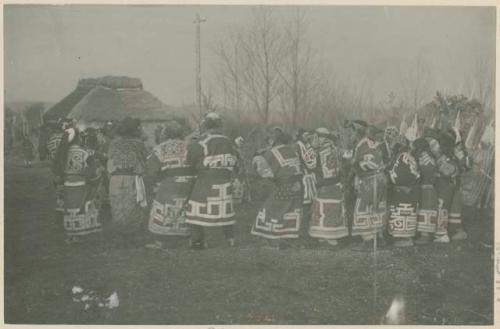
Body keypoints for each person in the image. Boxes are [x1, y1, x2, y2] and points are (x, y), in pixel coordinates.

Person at [185, 112, 238, 249]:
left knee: (194, 211)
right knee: (225, 210)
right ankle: (231, 240)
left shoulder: (202, 141)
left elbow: (190, 159)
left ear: (205, 125)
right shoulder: (229, 141)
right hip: (225, 181)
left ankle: (198, 242)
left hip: (206, 180)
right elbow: (236, 161)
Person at [145, 120, 194, 249]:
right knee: (184, 207)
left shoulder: (160, 148)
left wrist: (157, 181)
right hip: (189, 182)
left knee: (163, 206)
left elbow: (152, 170)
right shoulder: (189, 146)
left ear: (165, 133)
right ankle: (186, 237)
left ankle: (160, 241)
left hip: (169, 182)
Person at [251, 129, 303, 249]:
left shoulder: (272, 152)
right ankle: (287, 238)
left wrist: (257, 156)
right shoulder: (292, 150)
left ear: (273, 141)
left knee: (268, 211)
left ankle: (274, 241)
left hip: (284, 187)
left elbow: (261, 171)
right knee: (289, 212)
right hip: (298, 186)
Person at [52, 126, 103, 243]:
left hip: (67, 185)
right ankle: (78, 235)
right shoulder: (83, 152)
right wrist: (92, 178)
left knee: (69, 208)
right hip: (80, 184)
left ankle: (70, 235)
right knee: (79, 208)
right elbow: (93, 168)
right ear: (77, 138)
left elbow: (56, 170)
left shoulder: (62, 153)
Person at [107, 117, 148, 248]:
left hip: (115, 178)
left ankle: (121, 236)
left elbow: (110, 160)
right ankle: (132, 236)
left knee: (118, 205)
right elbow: (144, 160)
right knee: (133, 205)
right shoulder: (138, 143)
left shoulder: (113, 143)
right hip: (132, 177)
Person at [309, 128, 348, 247]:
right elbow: (345, 163)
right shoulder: (336, 150)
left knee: (323, 210)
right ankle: (330, 238)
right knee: (333, 210)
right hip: (336, 184)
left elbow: (310, 165)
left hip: (325, 185)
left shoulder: (317, 151)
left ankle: (325, 238)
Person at [351, 125, 387, 251]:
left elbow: (356, 163)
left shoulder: (362, 144)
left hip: (369, 179)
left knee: (362, 208)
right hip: (382, 179)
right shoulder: (381, 144)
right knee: (377, 207)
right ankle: (379, 236)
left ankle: (368, 239)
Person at [386, 139, 420, 247]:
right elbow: (416, 174)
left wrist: (390, 177)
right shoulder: (411, 157)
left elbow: (399, 174)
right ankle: (407, 237)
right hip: (410, 190)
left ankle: (403, 239)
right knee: (407, 213)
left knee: (401, 213)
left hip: (401, 191)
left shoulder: (402, 157)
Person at [433, 131, 459, 243]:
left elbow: (447, 172)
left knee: (442, 207)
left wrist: (439, 168)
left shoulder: (448, 158)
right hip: (445, 185)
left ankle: (442, 234)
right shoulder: (450, 157)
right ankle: (440, 232)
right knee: (442, 207)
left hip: (445, 185)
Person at [414, 135, 439, 244]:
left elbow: (428, 173)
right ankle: (424, 234)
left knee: (426, 210)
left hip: (427, 187)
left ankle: (425, 236)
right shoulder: (428, 156)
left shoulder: (425, 158)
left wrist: (417, 175)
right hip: (427, 188)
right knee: (424, 210)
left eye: (415, 147)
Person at [295, 128, 317, 239]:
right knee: (304, 205)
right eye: (305, 135)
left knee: (310, 204)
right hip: (303, 177)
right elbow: (308, 162)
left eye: (308, 135)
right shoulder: (298, 145)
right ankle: (302, 231)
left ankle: (308, 229)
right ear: (300, 135)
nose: (307, 137)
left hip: (309, 177)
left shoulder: (307, 145)